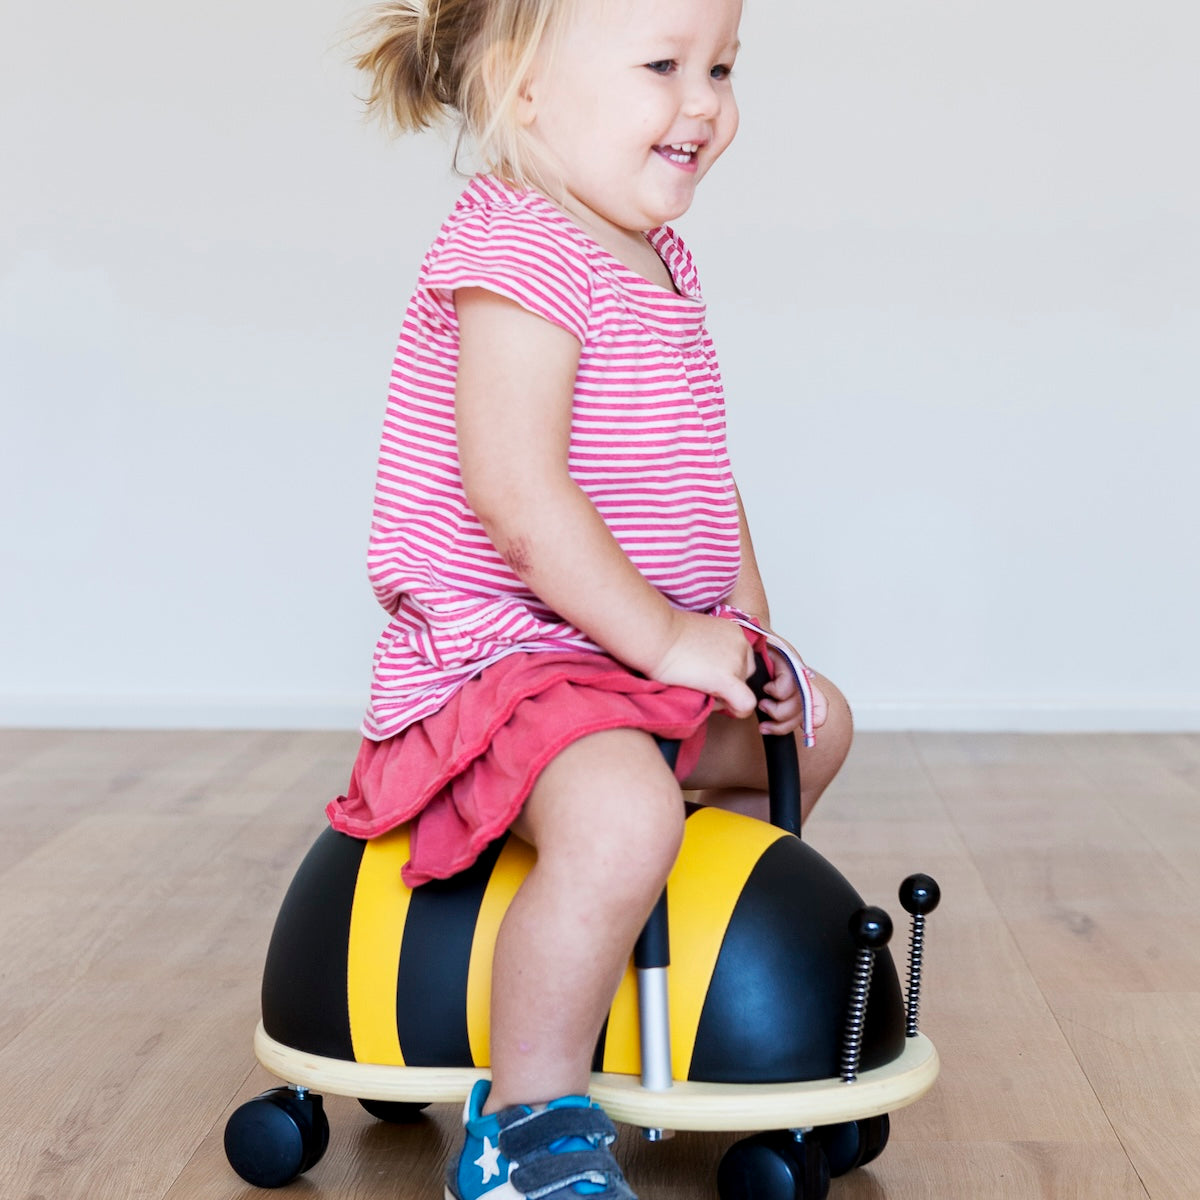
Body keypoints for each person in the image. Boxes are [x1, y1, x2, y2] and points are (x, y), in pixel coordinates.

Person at [327, 0, 854, 1196]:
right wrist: (667, 637)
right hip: (501, 659)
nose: (705, 100)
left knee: (815, 726)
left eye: (722, 66)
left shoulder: (657, 254)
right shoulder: (516, 248)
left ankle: (703, 997)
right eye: (664, 65)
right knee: (622, 818)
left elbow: (696, 473)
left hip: (613, 657)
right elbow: (515, 492)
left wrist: (745, 632)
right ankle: (527, 1123)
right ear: (524, 90)